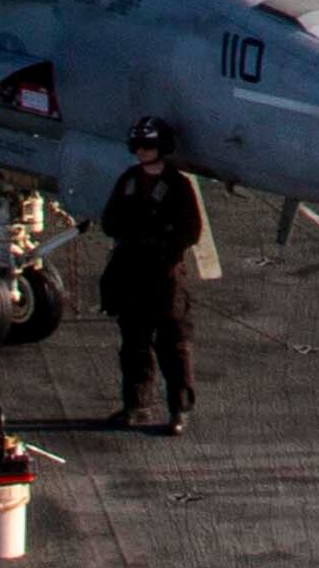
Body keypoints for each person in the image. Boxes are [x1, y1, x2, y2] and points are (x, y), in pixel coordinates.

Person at [99, 115, 208, 433]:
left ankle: (179, 411)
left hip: (164, 275)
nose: (141, 152)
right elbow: (109, 221)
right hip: (131, 271)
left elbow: (191, 230)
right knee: (133, 343)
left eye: (147, 145)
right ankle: (136, 405)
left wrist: (161, 245)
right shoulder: (129, 180)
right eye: (138, 146)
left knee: (174, 346)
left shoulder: (178, 186)